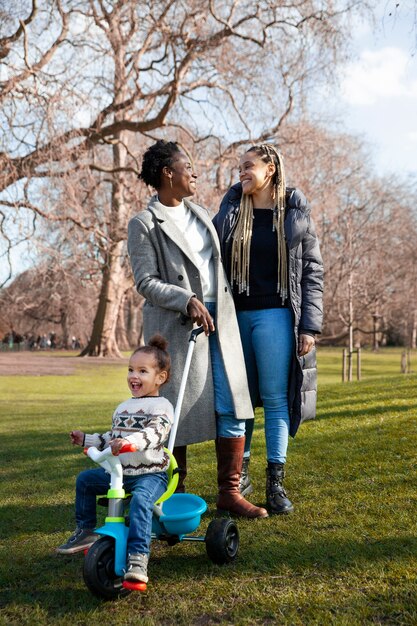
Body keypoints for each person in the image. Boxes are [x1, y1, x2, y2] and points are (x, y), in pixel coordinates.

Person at [127, 140, 268, 519]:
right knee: (174, 413)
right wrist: (186, 298)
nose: (195, 172)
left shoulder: (202, 213)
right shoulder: (144, 223)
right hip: (177, 326)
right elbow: (145, 281)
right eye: (186, 165)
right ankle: (174, 492)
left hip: (220, 322)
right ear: (166, 174)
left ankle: (230, 493)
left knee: (234, 404)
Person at [213, 143, 323, 515]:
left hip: (276, 314)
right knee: (238, 401)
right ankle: (238, 478)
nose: (241, 172)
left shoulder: (294, 213)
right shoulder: (229, 210)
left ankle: (275, 483)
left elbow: (312, 272)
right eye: (239, 167)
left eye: (248, 166)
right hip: (234, 317)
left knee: (276, 400)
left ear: (270, 169)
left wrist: (309, 326)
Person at [56, 335, 174, 585]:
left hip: (150, 473)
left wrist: (133, 443)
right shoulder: (123, 407)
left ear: (160, 378)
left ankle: (138, 555)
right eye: (131, 369)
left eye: (143, 371)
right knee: (86, 481)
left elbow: (155, 433)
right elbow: (112, 438)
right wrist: (86, 439)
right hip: (121, 474)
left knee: (141, 501)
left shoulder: (161, 406)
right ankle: (86, 531)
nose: (134, 376)